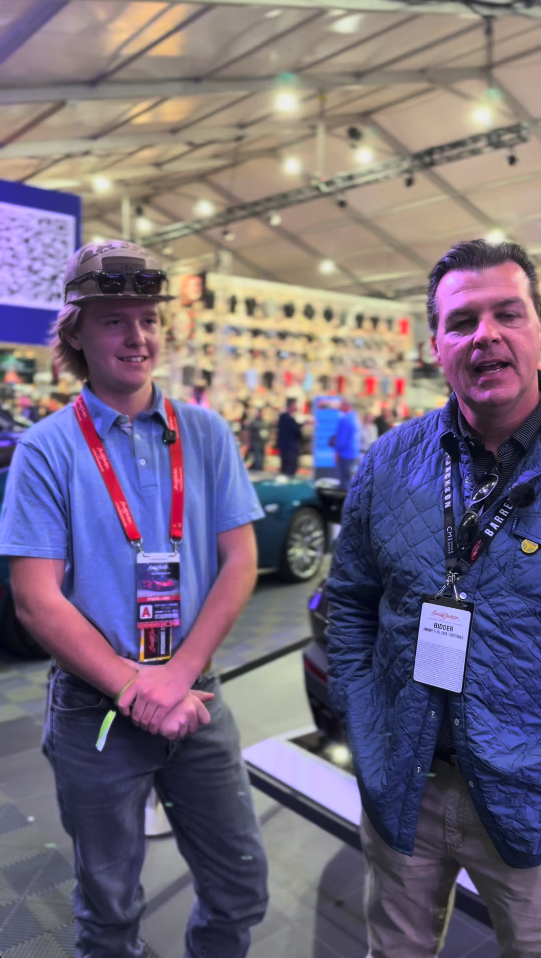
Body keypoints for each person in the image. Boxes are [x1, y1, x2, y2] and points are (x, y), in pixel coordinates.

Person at [0, 239, 268, 958]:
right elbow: (36, 600)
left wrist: (174, 677)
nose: (137, 336)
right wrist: (133, 687)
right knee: (109, 911)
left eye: (148, 318)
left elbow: (239, 560)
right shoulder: (47, 449)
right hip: (95, 708)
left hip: (195, 695)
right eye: (114, 320)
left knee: (241, 888)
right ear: (77, 334)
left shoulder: (205, 433)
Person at [326, 239, 541, 958]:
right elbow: (349, 601)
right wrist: (366, 722)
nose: (486, 336)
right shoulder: (391, 459)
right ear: (436, 346)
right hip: (405, 784)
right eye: (462, 322)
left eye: (508, 314)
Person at [333, 399, 361, 490]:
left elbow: (342, 439)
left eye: (341, 405)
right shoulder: (355, 418)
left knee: (344, 481)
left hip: (345, 453)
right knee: (349, 478)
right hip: (353, 453)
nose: (339, 407)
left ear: (346, 406)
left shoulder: (346, 419)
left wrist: (337, 451)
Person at [277, 397, 302, 476]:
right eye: (295, 405)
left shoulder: (289, 418)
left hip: (289, 448)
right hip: (288, 448)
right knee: (288, 470)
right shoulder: (285, 418)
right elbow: (296, 431)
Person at [247, 406, 268, 471]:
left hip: (263, 443)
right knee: (257, 457)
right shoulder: (254, 422)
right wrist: (249, 442)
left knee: (262, 457)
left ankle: (260, 468)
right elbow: (249, 433)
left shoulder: (265, 422)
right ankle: (257, 469)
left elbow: (268, 432)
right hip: (256, 442)